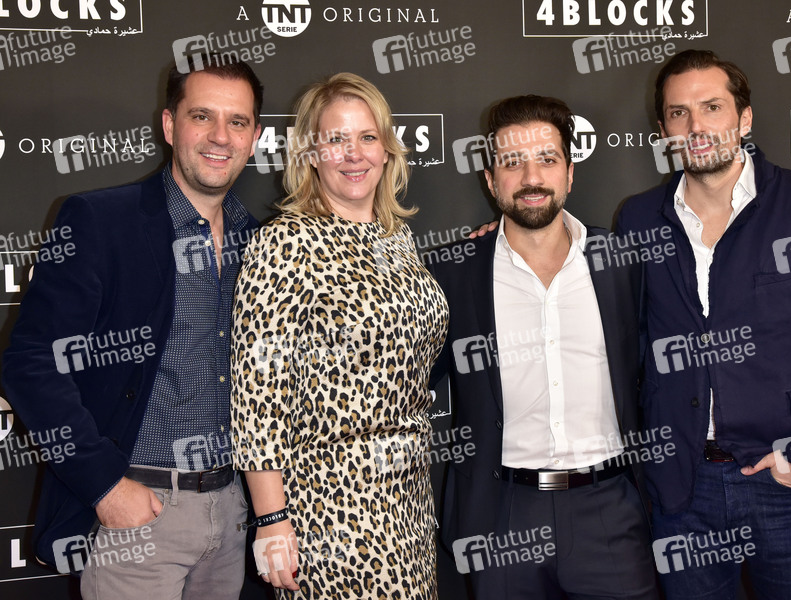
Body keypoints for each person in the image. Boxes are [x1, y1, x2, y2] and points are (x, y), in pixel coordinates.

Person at [616, 49, 791, 598]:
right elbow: (624, 332)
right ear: (663, 129)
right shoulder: (638, 218)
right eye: (678, 113)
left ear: (744, 118)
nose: (696, 126)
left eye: (712, 107)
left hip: (782, 484)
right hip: (681, 491)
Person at [2, 55, 263, 599]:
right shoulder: (99, 221)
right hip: (140, 515)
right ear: (170, 125)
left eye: (237, 122)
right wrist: (104, 485)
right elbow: (30, 363)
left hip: (233, 514)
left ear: (255, 137)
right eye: (202, 116)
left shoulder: (259, 240)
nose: (220, 136)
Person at [429, 95, 658, 599]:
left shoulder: (622, 263)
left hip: (610, 510)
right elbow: (405, 383)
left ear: (570, 174)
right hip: (503, 516)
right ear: (491, 180)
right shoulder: (453, 272)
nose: (531, 177)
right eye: (513, 162)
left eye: (547, 159)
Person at [230, 72, 449, 599]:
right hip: (327, 510)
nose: (354, 154)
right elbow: (257, 394)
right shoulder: (285, 242)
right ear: (310, 153)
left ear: (387, 149)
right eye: (336, 139)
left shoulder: (397, 239)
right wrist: (272, 519)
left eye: (367, 137)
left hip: (408, 505)